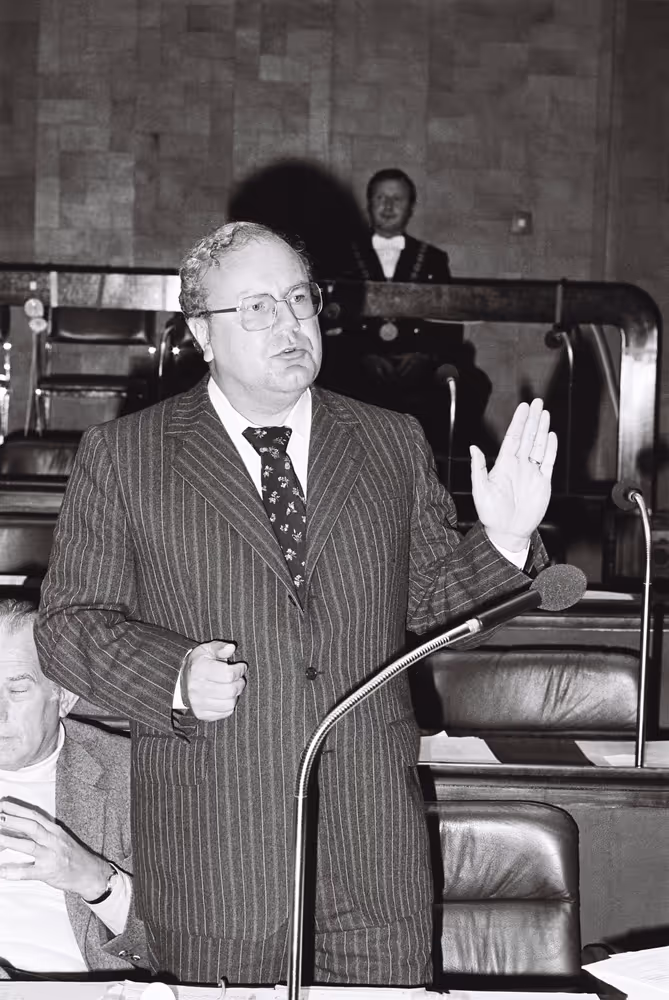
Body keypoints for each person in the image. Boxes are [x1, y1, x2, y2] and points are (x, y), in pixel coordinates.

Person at [36, 221, 557, 986]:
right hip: (217, 858)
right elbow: (68, 628)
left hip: (372, 858)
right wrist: (173, 675)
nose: (288, 324)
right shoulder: (126, 457)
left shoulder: (388, 440)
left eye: (298, 299)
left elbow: (431, 604)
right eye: (256, 308)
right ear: (200, 335)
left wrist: (505, 543)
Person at [0, 599, 147, 977]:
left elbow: (184, 944)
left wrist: (96, 880)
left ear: (64, 697)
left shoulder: (132, 777)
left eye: (16, 691)